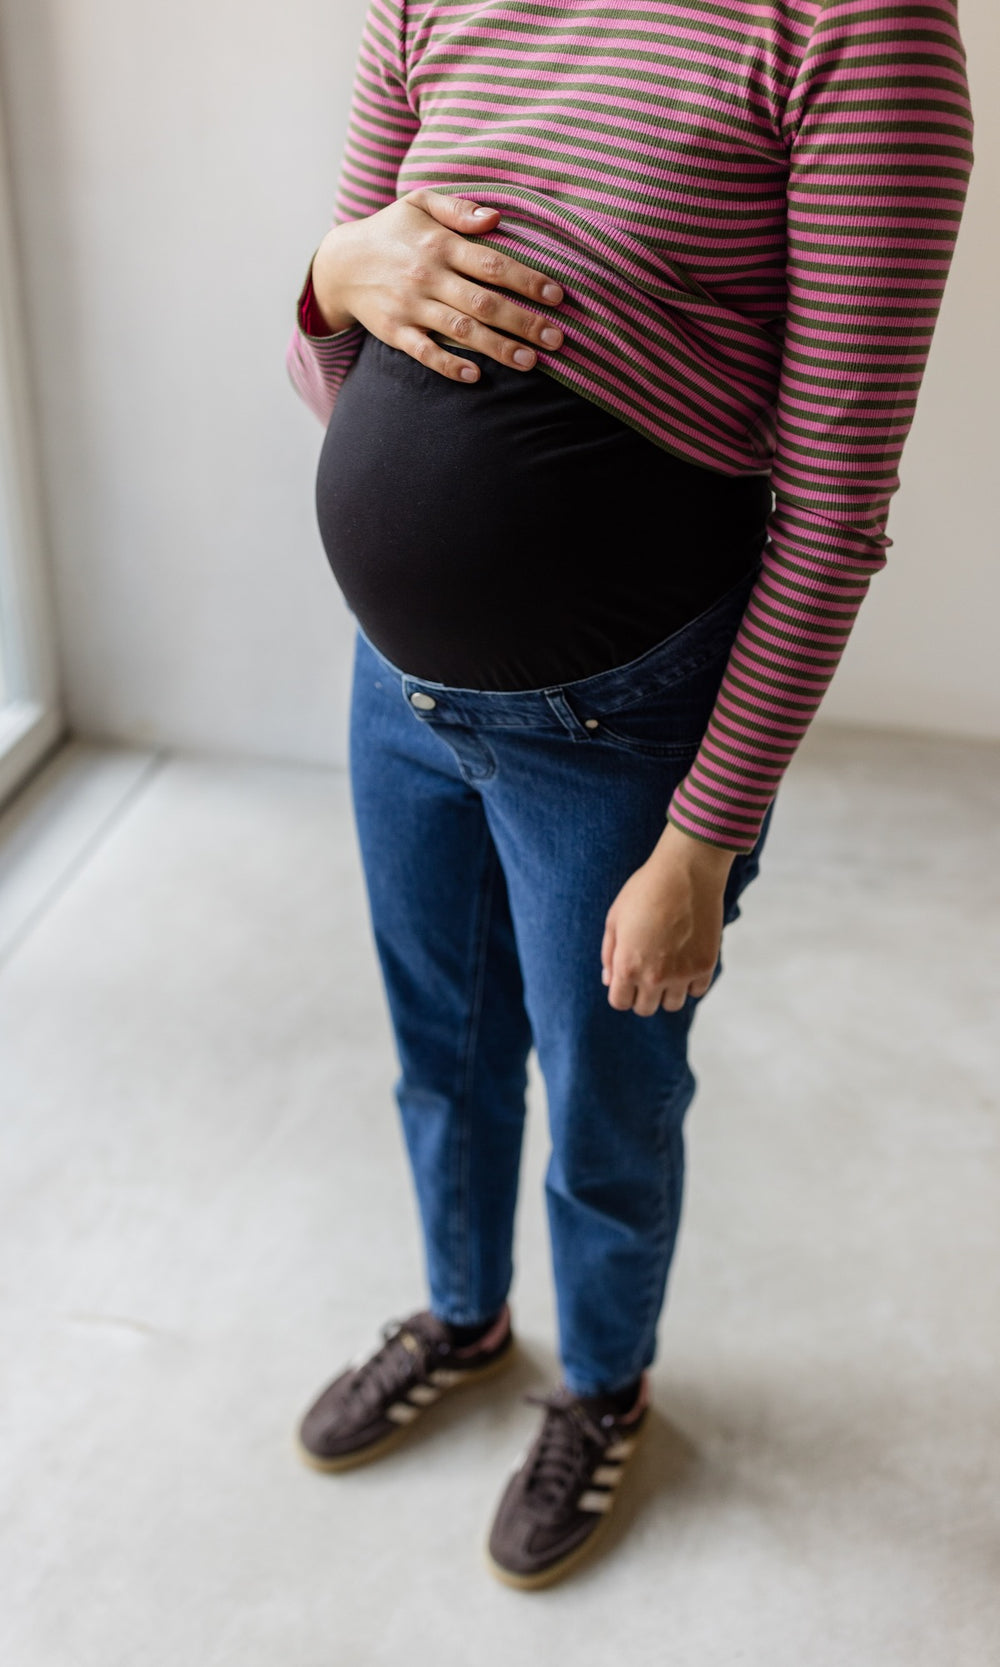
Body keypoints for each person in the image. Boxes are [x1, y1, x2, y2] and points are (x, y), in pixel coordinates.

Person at [286, 0, 973, 1590]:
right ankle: (464, 1317)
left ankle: (603, 1387)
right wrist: (324, 278)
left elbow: (833, 513)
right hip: (397, 687)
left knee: (609, 1107)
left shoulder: (859, 27)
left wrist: (703, 837)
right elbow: (349, 334)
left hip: (621, 733)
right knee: (441, 1050)